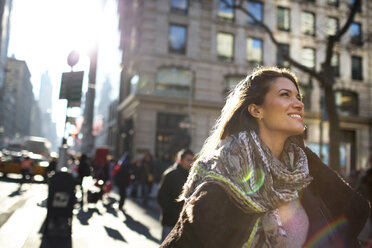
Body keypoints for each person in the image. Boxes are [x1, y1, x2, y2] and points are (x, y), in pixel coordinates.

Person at [160, 67, 370, 248]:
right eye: (285, 95)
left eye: (298, 97)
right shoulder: (222, 180)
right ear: (256, 110)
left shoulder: (305, 171)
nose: (298, 104)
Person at [157, 149, 194, 242]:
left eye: (192, 160)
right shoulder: (170, 174)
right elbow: (161, 197)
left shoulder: (192, 176)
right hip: (170, 222)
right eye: (188, 160)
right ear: (180, 160)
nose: (190, 163)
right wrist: (173, 212)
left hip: (185, 223)